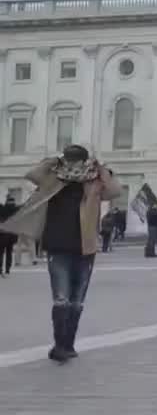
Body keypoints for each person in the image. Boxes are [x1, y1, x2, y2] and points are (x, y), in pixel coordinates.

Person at [0, 146, 121, 361]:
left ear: (85, 161)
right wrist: (53, 161)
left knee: (77, 301)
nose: (73, 165)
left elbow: (114, 191)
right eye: (69, 160)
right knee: (61, 298)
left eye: (77, 160)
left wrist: (102, 169)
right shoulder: (53, 178)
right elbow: (32, 174)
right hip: (58, 246)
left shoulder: (93, 181)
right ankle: (60, 345)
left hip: (86, 248)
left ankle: (68, 344)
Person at [0, 194, 18, 277]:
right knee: (9, 252)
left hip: (2, 233)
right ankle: (8, 269)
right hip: (12, 233)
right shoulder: (16, 209)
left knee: (1, 252)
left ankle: (0, 268)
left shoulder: (2, 208)